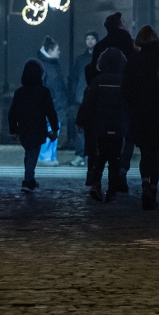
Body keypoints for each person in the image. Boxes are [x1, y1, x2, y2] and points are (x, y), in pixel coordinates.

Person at [123, 25, 159, 211]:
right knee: (155, 152)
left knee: (144, 152)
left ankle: (145, 183)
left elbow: (125, 88)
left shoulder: (133, 61)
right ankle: (153, 189)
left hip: (139, 111)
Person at [75, 46, 129, 201]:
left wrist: (81, 121)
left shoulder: (98, 80)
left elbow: (87, 103)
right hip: (118, 125)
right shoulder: (123, 81)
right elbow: (128, 103)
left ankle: (96, 183)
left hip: (101, 124)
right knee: (115, 159)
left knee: (101, 156)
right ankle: (112, 190)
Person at [7, 58, 59, 191]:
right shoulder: (43, 92)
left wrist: (13, 130)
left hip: (24, 127)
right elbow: (50, 111)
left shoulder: (19, 92)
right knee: (32, 153)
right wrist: (54, 128)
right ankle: (28, 179)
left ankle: (30, 178)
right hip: (38, 127)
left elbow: (12, 113)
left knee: (29, 152)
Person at [70, 31, 100, 163]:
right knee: (81, 127)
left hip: (93, 97)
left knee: (92, 127)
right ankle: (82, 153)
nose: (89, 41)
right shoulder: (81, 59)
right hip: (81, 96)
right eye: (88, 39)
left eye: (92, 38)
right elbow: (75, 77)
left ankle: (89, 153)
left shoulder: (99, 58)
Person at [38, 37, 68, 154]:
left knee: (54, 129)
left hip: (56, 104)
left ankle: (50, 155)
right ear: (50, 51)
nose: (59, 52)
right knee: (51, 129)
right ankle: (46, 155)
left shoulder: (52, 65)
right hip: (52, 104)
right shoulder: (46, 66)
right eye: (57, 50)